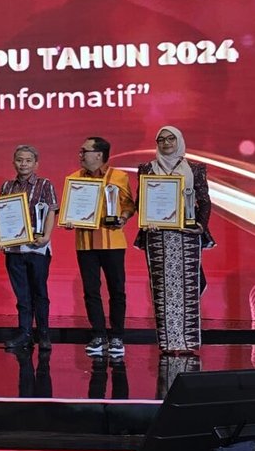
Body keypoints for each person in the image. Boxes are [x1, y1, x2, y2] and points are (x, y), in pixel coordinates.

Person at [136, 126, 214, 354]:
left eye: (171, 138)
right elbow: (142, 200)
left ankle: (187, 343)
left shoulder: (194, 169)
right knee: (163, 290)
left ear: (179, 140)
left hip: (187, 235)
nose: (166, 143)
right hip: (157, 236)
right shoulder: (147, 168)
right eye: (161, 139)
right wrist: (146, 219)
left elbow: (204, 200)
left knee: (189, 287)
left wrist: (200, 225)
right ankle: (168, 344)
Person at [67, 134, 135, 358]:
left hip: (112, 241)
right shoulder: (74, 178)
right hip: (85, 243)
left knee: (117, 290)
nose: (80, 155)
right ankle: (98, 335)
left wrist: (123, 218)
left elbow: (129, 205)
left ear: (98, 154)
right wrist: (68, 219)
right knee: (91, 291)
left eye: (84, 151)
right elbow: (70, 209)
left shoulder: (119, 176)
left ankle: (117, 336)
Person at [0, 145, 58, 352]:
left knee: (39, 292)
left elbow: (51, 211)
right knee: (22, 295)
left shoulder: (45, 184)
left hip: (37, 247)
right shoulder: (7, 186)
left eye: (28, 160)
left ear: (36, 164)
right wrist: (1, 239)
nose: (23, 164)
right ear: (14, 162)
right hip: (14, 249)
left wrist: (46, 236)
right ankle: (25, 333)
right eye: (20, 160)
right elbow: (1, 216)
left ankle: (44, 334)